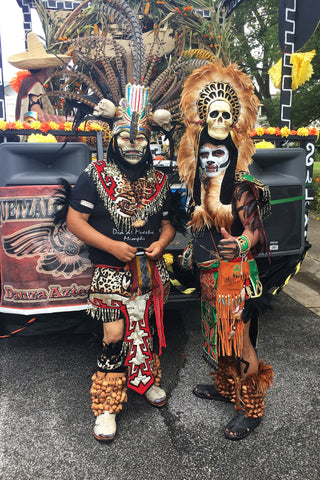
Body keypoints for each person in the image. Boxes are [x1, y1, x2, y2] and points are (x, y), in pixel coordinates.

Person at [66, 84, 176, 442]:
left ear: (150, 141)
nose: (133, 144)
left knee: (147, 329)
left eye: (141, 138)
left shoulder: (160, 179)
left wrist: (161, 242)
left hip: (149, 271)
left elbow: (168, 224)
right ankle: (107, 405)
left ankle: (145, 382)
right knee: (114, 335)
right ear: (113, 139)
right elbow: (74, 221)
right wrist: (112, 246)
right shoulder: (94, 174)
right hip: (111, 272)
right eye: (126, 137)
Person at [177, 61, 274, 440]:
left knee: (241, 340)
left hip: (235, 278)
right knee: (218, 338)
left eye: (224, 115)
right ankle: (223, 385)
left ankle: (251, 407)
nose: (211, 161)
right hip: (208, 275)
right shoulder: (199, 184)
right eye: (205, 155)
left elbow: (256, 232)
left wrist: (242, 243)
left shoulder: (242, 185)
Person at [8, 32, 70, 122]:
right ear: (45, 68)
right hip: (35, 135)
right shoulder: (34, 84)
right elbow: (35, 111)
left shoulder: (28, 81)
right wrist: (64, 120)